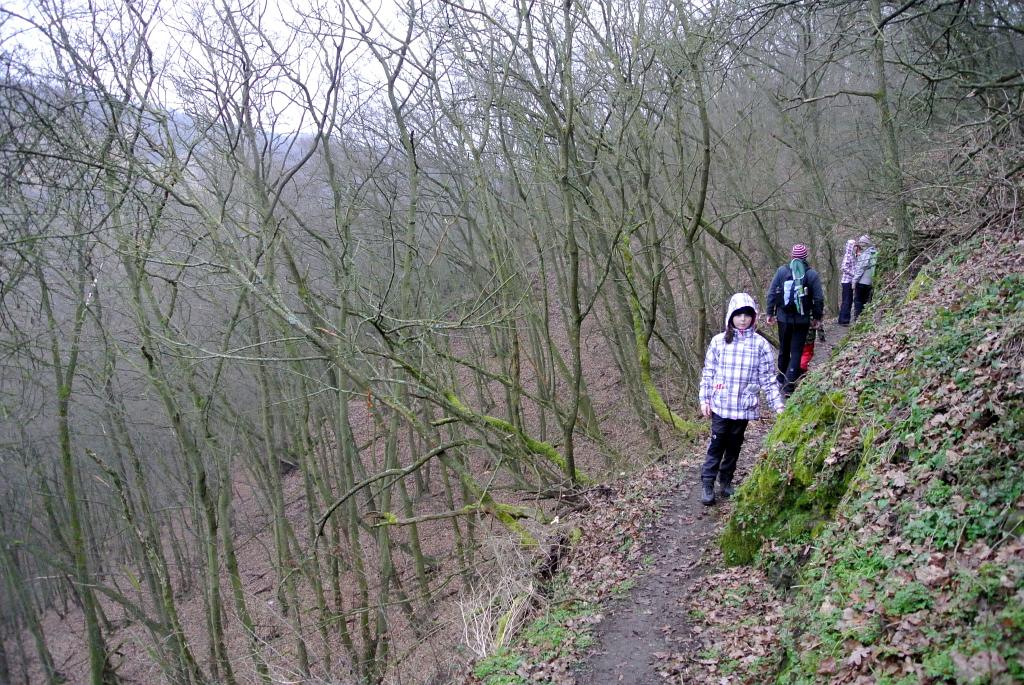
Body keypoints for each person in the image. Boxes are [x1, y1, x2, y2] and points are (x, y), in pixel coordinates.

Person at [698, 293, 785, 506]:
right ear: (731, 317)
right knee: (717, 444)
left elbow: (768, 378)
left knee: (734, 446)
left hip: (744, 406)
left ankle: (725, 481)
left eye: (747, 315)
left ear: (753, 317)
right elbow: (708, 373)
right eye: (738, 315)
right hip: (721, 405)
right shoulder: (719, 342)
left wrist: (778, 406)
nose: (743, 319)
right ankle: (707, 483)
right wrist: (705, 399)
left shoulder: (760, 345)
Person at [765, 244, 825, 397]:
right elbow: (818, 298)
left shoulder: (782, 271)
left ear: (792, 256)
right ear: (805, 257)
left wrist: (770, 312)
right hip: (802, 319)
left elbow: (772, 293)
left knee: (784, 349)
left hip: (783, 318)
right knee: (797, 351)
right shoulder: (811, 274)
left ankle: (781, 378)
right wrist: (816, 317)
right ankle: (789, 385)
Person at [852, 234, 878, 320]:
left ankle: (858, 319)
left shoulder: (866, 254)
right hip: (871, 282)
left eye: (861, 243)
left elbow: (861, 269)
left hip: (862, 282)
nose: (860, 245)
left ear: (865, 243)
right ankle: (864, 319)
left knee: (858, 302)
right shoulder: (875, 253)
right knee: (867, 301)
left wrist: (854, 280)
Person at [837, 237, 859, 326]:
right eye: (854, 246)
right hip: (846, 281)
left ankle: (843, 319)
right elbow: (844, 268)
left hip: (850, 281)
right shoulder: (848, 255)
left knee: (848, 300)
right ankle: (844, 320)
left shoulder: (853, 255)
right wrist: (853, 274)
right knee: (846, 300)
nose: (855, 247)